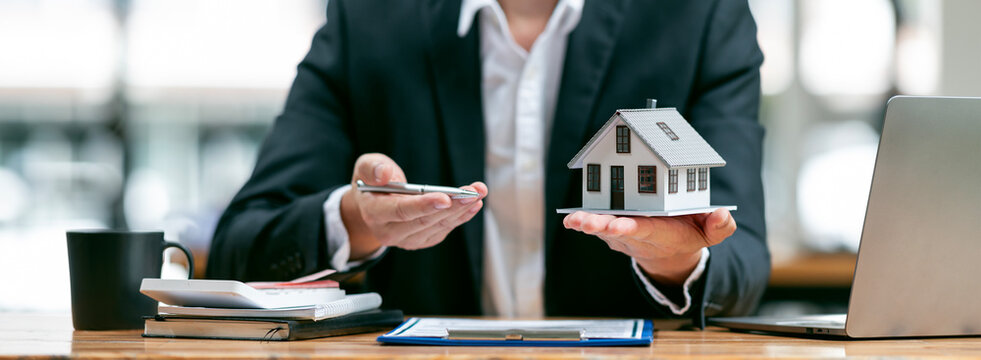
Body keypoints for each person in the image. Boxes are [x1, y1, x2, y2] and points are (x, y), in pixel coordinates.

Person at [207, 0, 768, 327]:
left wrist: (673, 260)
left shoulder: (700, 14)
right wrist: (357, 221)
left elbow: (741, 258)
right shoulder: (369, 16)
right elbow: (242, 247)